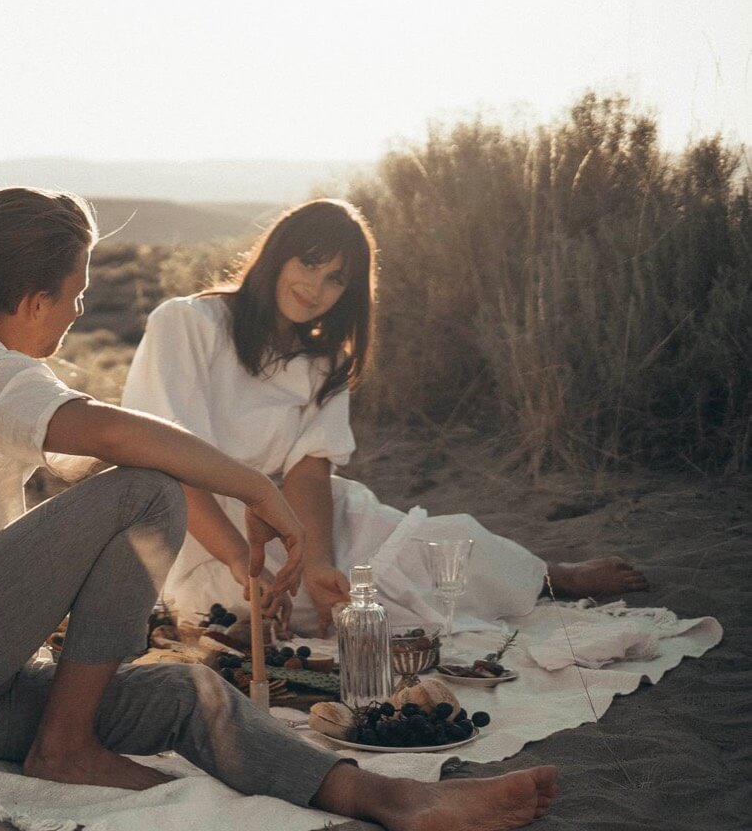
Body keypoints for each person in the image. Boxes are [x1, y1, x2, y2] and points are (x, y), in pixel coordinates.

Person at [0, 187, 558, 828]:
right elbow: (118, 441)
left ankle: (386, 799)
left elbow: (75, 463)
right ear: (35, 301)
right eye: (75, 298)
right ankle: (65, 746)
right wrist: (254, 487)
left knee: (179, 691)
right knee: (149, 490)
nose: (75, 315)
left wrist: (229, 544)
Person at [121, 198, 647, 638]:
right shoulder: (188, 323)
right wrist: (242, 560)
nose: (315, 287)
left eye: (335, 280)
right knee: (260, 609)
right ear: (278, 255)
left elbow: (308, 471)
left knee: (421, 556)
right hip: (198, 526)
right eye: (308, 263)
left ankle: (546, 577)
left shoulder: (324, 359)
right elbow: (169, 460)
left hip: (299, 522)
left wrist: (317, 560)